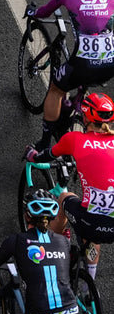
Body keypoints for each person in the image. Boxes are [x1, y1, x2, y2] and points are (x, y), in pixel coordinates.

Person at [29, 0, 114, 151]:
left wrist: (32, 11)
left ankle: (44, 142)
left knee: (56, 90)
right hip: (110, 63)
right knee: (84, 78)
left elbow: (43, 12)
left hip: (83, 64)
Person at [29, 92, 114, 280]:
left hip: (92, 222)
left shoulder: (75, 139)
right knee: (93, 231)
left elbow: (46, 155)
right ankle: (88, 288)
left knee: (64, 198)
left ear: (85, 117)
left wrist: (32, 156)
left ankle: (49, 250)